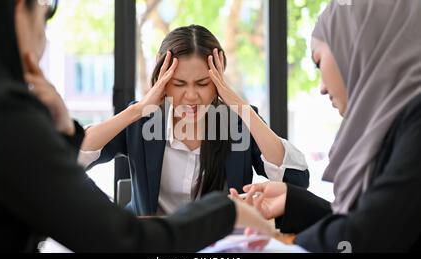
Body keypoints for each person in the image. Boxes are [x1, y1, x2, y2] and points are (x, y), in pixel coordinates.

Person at [0, 0, 273, 253]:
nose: (46, 37)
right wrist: (227, 210)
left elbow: (48, 196)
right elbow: (117, 236)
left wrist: (62, 132)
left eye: (203, 84)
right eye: (45, 14)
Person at [233, 0, 421, 252]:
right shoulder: (401, 122)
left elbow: (368, 239)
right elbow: (378, 221)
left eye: (319, 61)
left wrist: (277, 246)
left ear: (358, 48)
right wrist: (294, 201)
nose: (321, 87)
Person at [79, 25, 309, 216]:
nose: (191, 96)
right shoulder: (143, 121)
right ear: (163, 80)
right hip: (151, 243)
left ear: (218, 79)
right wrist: (138, 109)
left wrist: (242, 108)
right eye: (179, 84)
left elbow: (296, 180)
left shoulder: (239, 122)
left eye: (202, 84)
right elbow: (76, 155)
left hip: (219, 246)